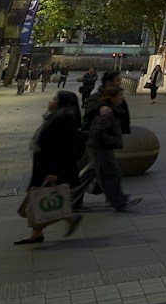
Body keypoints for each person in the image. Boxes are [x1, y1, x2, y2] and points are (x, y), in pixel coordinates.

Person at [17, 90, 84, 243]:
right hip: (45, 163)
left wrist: (53, 171)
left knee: (38, 196)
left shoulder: (63, 120)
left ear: (62, 102)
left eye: (54, 99)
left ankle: (66, 219)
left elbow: (60, 148)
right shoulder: (57, 116)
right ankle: (41, 230)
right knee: (38, 196)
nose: (50, 101)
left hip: (50, 165)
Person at [86, 90, 139, 213]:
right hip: (101, 148)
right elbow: (97, 133)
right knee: (111, 175)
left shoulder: (114, 110)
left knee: (107, 174)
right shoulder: (106, 112)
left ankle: (118, 200)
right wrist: (114, 140)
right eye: (120, 95)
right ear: (112, 97)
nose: (122, 98)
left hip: (104, 148)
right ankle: (118, 201)